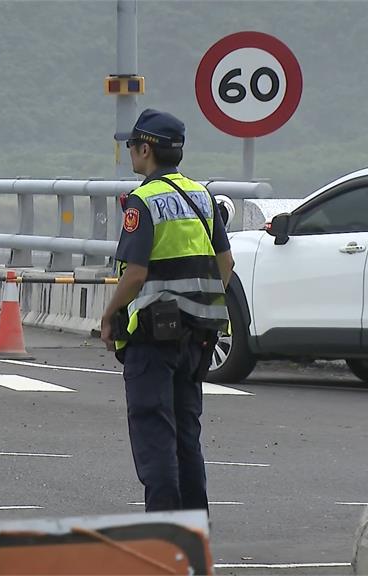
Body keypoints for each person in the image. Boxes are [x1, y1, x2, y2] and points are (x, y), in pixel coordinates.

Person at [100, 109, 234, 512]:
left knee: (154, 437)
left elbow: (135, 273)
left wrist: (109, 316)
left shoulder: (143, 201)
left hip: (152, 340)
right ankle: (194, 533)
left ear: (145, 149)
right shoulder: (202, 195)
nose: (131, 154)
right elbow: (224, 264)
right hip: (197, 338)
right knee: (186, 441)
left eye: (132, 147)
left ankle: (162, 536)